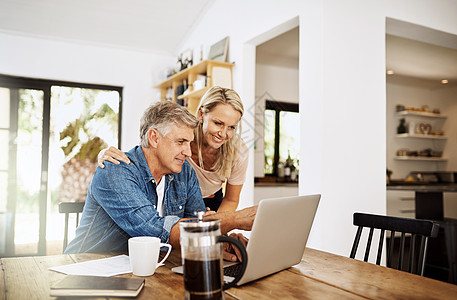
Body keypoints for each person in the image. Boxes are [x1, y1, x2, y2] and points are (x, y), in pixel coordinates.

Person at [65, 101, 256, 260]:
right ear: (154, 138)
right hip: (85, 268)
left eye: (189, 143)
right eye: (181, 142)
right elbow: (157, 231)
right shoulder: (115, 170)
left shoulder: (184, 171)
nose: (188, 152)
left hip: (146, 268)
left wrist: (222, 241)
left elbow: (199, 221)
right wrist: (235, 219)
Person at [98, 86, 248, 213]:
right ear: (202, 114)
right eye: (218, 123)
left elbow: (231, 199)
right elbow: (148, 150)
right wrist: (106, 155)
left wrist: (218, 227)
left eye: (232, 127)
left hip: (211, 200)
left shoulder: (237, 151)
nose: (223, 133)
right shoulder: (183, 131)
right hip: (177, 194)